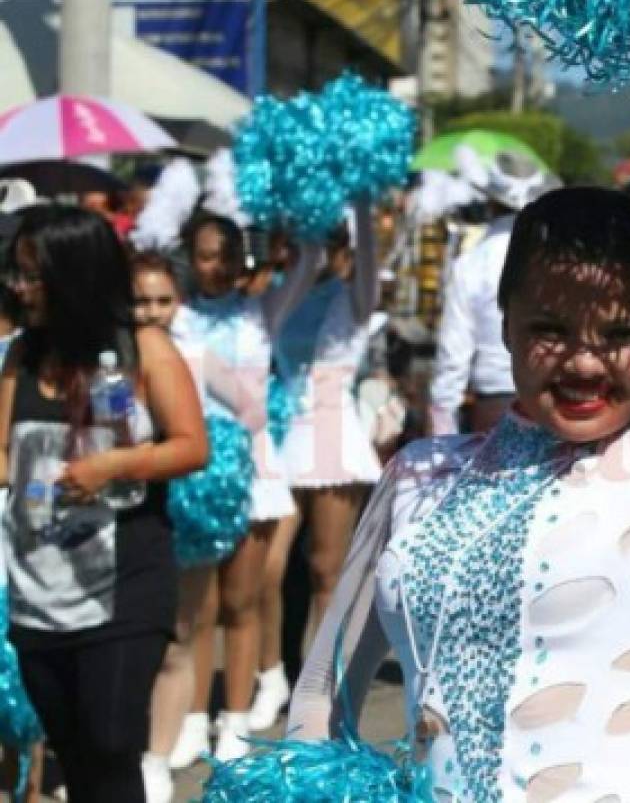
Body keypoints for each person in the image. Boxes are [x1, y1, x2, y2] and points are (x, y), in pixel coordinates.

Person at [273, 62, 630, 803]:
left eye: (622, 333)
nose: (585, 362)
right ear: (504, 325)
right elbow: (319, 694)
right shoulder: (421, 474)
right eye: (549, 330)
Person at [0, 206, 207, 803]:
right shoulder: (21, 355)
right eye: (16, 274)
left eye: (33, 276)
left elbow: (192, 446)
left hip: (126, 579)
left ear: (73, 276)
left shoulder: (143, 348)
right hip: (42, 585)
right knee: (74, 748)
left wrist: (115, 464)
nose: (20, 288)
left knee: (112, 739)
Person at [167, 214, 317, 767]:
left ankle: (235, 723)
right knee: (197, 610)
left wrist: (304, 208)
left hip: (255, 474)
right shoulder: (176, 318)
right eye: (205, 255)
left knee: (242, 601)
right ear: (190, 256)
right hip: (198, 474)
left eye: (225, 256)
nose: (216, 266)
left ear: (240, 259)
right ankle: (191, 720)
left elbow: (312, 265)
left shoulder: (262, 311)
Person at [251, 201, 381, 733]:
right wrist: (304, 245)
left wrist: (366, 204)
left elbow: (369, 262)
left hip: (333, 443)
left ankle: (324, 686)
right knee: (267, 567)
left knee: (328, 570)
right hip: (283, 443)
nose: (322, 251)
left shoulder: (355, 299)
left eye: (331, 242)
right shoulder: (280, 295)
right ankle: (270, 675)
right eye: (313, 241)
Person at [428, 154, 559, 435]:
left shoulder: (473, 261)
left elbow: (454, 350)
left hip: (494, 400)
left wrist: (442, 416)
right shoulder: (554, 254)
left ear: (490, 203)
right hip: (552, 394)